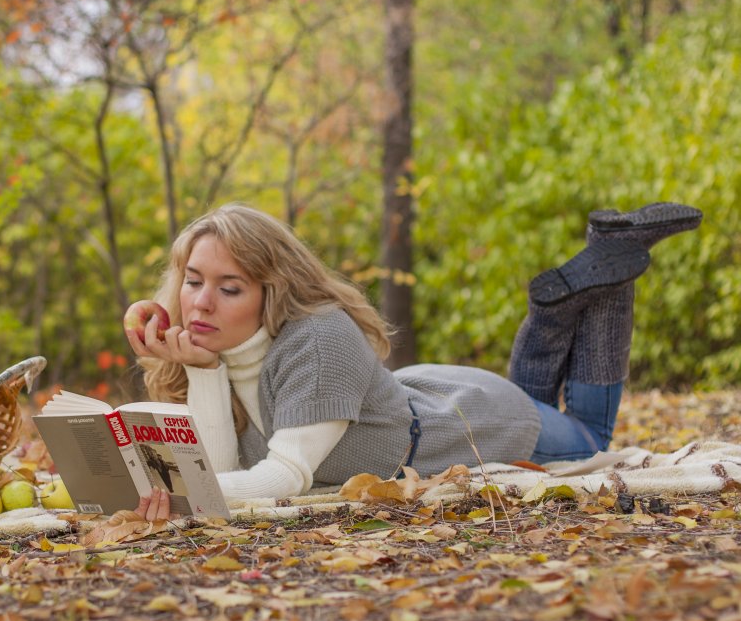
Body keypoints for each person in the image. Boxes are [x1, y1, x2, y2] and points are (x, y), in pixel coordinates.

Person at [129, 201, 702, 521]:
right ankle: (564, 298)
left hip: (471, 425)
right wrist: (205, 372)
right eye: (194, 281)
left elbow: (281, 478)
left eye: (229, 289)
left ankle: (611, 268)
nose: (200, 302)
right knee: (539, 397)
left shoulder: (318, 337)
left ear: (273, 291)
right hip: (420, 398)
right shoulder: (214, 351)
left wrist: (184, 499)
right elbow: (221, 467)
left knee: (591, 433)